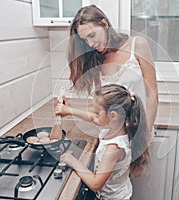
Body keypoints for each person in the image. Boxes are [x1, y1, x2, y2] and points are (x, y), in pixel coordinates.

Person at [65, 4, 158, 138]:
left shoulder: (137, 45)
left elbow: (152, 96)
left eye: (92, 35)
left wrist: (143, 136)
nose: (90, 44)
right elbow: (100, 105)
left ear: (104, 24)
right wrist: (69, 109)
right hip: (111, 136)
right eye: (85, 40)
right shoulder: (96, 60)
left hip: (138, 131)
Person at [56, 84, 150, 200]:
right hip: (119, 192)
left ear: (113, 116)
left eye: (98, 112)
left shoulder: (113, 148)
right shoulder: (115, 127)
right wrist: (70, 110)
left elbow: (96, 184)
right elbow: (93, 118)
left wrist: (73, 162)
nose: (96, 115)